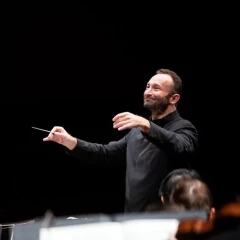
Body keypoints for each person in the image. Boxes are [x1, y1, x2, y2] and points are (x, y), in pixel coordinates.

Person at [43, 68, 199, 212]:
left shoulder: (183, 127)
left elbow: (182, 147)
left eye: (156, 88)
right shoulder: (137, 131)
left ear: (174, 98)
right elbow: (105, 154)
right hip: (133, 218)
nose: (148, 92)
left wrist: (147, 125)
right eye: (147, 86)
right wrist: (69, 141)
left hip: (167, 220)